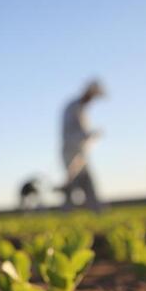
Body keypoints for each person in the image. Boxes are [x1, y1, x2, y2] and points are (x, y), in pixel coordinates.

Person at [60, 80, 105, 211]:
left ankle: (96, 210)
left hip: (80, 153)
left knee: (87, 182)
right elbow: (71, 132)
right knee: (73, 184)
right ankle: (67, 212)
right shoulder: (73, 107)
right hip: (71, 152)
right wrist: (90, 134)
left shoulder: (82, 109)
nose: (93, 100)